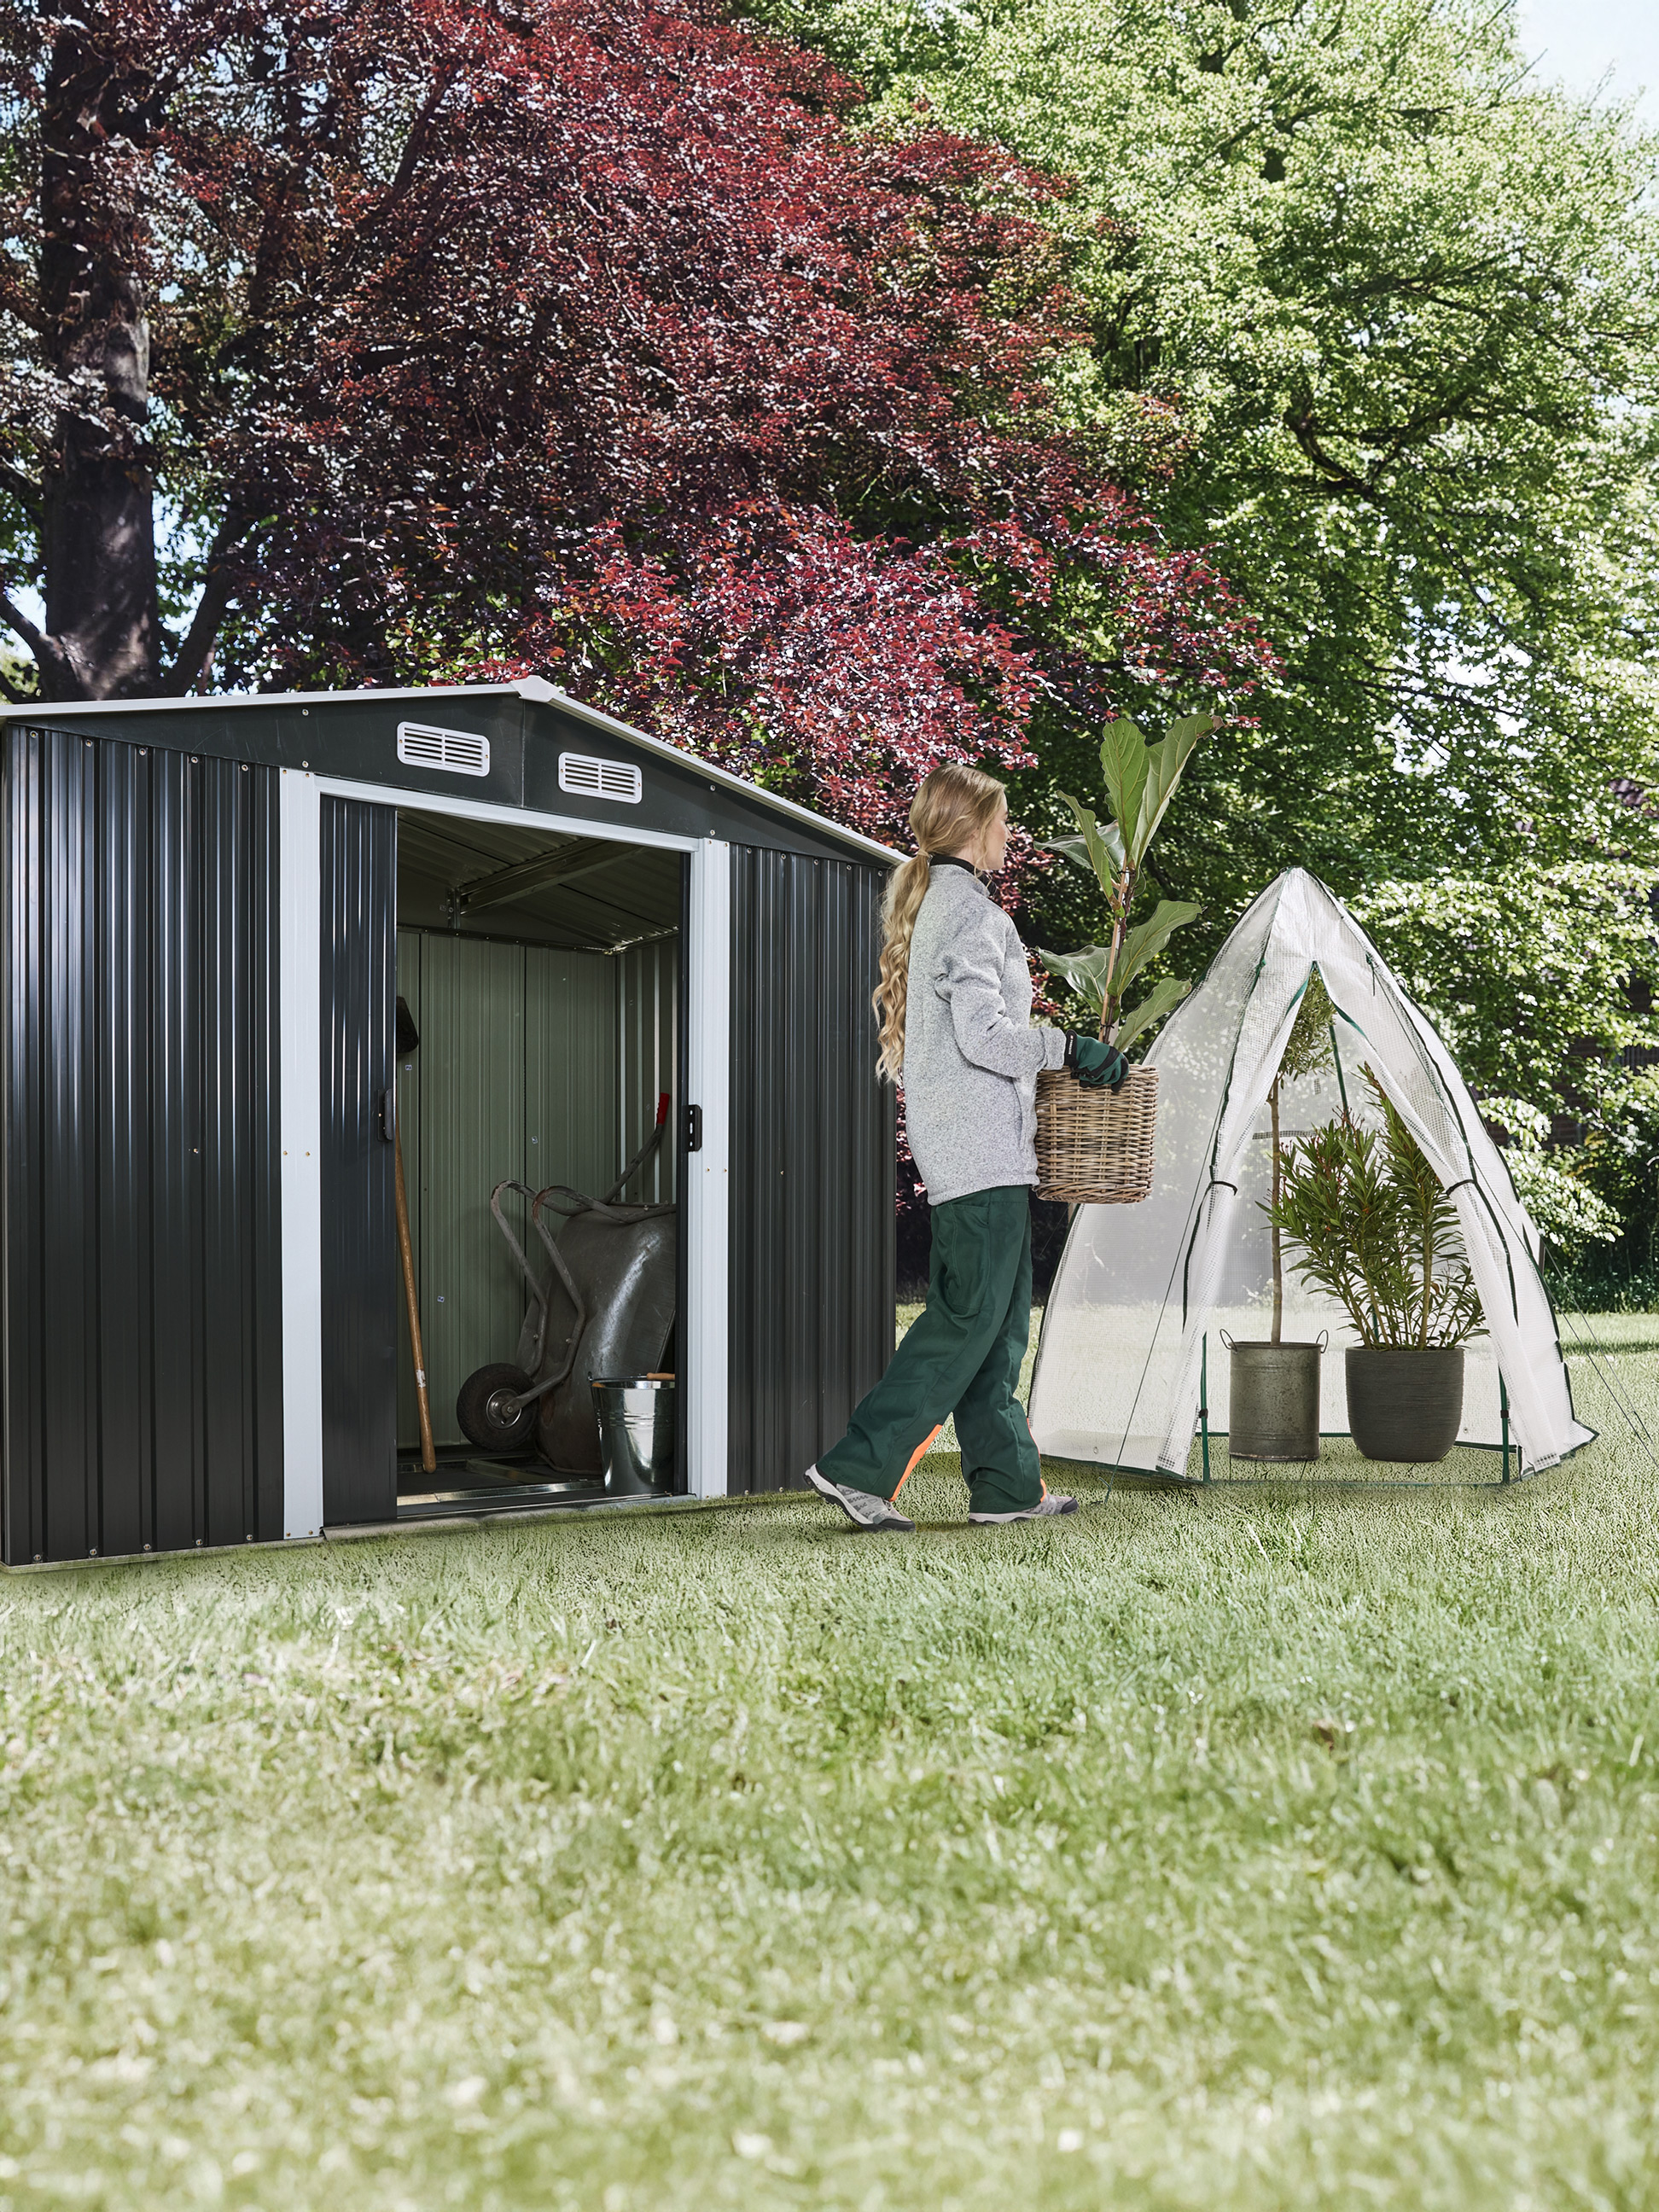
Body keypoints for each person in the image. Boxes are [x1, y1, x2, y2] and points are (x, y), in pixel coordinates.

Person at [804, 763, 1126, 1533]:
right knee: (966, 1319)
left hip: (975, 1151)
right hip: (980, 1152)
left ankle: (1007, 1488)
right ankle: (856, 1468)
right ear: (973, 828)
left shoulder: (943, 904)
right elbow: (986, 1039)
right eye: (1003, 821)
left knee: (998, 1325)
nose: (1010, 833)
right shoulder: (972, 915)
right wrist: (1069, 1046)